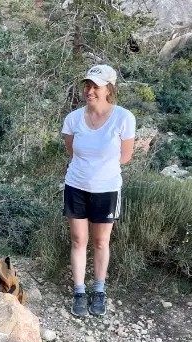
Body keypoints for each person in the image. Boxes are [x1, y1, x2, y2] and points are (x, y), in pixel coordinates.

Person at [61, 64, 135, 317]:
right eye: (87, 86)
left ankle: (99, 290)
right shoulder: (72, 119)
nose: (89, 91)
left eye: (95, 87)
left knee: (101, 241)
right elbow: (71, 152)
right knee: (79, 240)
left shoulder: (124, 118)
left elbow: (125, 157)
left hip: (107, 189)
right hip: (76, 186)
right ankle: (80, 291)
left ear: (108, 89)